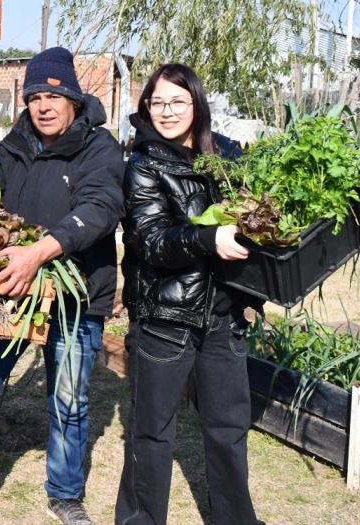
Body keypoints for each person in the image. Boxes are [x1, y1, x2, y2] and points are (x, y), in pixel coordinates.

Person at [0, 47, 125, 525]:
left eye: (54, 96)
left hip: (75, 294)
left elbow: (101, 207)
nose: (44, 106)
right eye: (35, 96)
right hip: (8, 291)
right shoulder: (12, 145)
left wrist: (41, 251)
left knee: (69, 399)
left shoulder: (100, 147)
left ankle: (65, 495)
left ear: (74, 100)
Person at [115, 64, 264, 525]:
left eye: (178, 101)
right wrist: (207, 240)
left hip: (224, 317)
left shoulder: (227, 158)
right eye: (158, 102)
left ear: (197, 105)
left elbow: (258, 225)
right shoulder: (142, 166)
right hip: (166, 318)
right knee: (152, 433)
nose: (167, 111)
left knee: (227, 428)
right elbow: (153, 242)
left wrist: (254, 298)